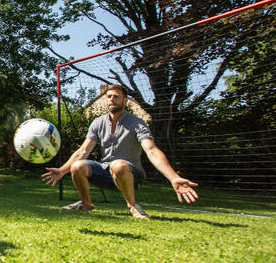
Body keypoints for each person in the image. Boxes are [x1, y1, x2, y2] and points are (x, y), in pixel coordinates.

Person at [42, 84, 198, 218]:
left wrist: (173, 178)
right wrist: (62, 170)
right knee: (77, 166)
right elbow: (83, 150)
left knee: (118, 165)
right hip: (105, 172)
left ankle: (133, 207)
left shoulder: (137, 123)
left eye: (116, 96)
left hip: (130, 173)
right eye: (109, 96)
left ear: (125, 100)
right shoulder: (98, 122)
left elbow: (151, 150)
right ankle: (85, 204)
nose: (111, 99)